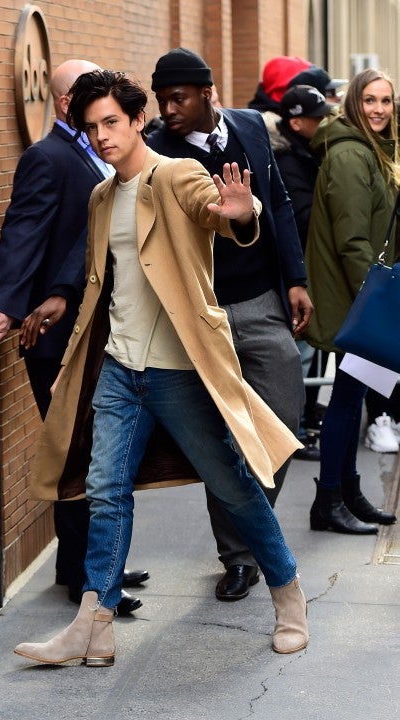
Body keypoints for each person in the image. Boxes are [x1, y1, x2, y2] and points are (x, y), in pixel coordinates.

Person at [13, 69, 309, 666]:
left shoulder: (176, 174)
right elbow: (101, 285)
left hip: (178, 371)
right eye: (91, 127)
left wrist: (241, 212)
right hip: (120, 369)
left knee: (233, 485)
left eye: (111, 122)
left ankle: (288, 595)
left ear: (136, 120)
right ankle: (93, 627)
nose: (101, 136)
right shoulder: (102, 197)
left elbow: (216, 211)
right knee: (104, 492)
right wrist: (68, 339)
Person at [0, 59, 147, 615]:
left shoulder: (99, 154)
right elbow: (23, 230)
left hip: (96, 327)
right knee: (78, 453)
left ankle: (88, 563)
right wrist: (7, 307)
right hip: (53, 336)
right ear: (67, 101)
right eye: (86, 96)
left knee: (95, 450)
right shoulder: (46, 157)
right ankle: (87, 577)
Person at [146, 48, 312, 603]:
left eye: (178, 98)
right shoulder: (157, 151)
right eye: (161, 100)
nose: (168, 110)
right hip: (205, 316)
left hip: (263, 304)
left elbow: (279, 204)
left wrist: (296, 279)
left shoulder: (250, 127)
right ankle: (239, 556)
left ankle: (255, 531)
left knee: (283, 424)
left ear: (208, 92)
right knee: (226, 442)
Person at [305, 68, 400, 532]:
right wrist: (379, 305)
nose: (379, 109)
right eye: (369, 100)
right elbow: (353, 243)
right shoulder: (349, 155)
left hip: (364, 296)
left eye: (386, 100)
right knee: (345, 401)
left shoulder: (372, 149)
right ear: (353, 104)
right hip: (357, 299)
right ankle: (328, 500)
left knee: (353, 396)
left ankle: (347, 492)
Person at [271, 85, 334, 461]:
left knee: (308, 352)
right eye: (317, 117)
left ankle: (304, 420)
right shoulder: (288, 161)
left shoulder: (307, 153)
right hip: (294, 273)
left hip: (304, 270)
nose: (324, 123)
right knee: (299, 354)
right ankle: (291, 432)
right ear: (296, 122)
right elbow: (302, 220)